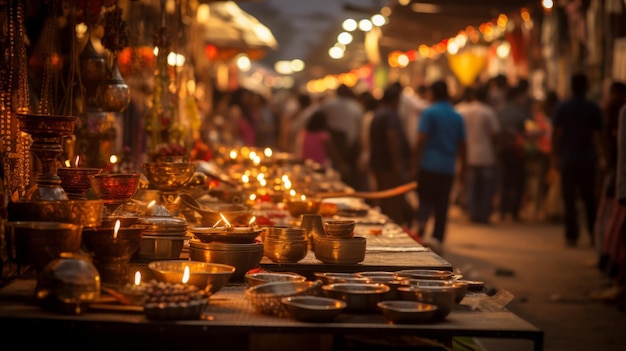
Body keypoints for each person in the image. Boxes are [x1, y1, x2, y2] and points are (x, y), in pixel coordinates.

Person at [411, 80, 467, 251]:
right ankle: (438, 240)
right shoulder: (456, 115)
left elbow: (421, 139)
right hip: (447, 167)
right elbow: (463, 145)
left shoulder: (429, 113)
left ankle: (421, 232)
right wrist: (463, 168)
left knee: (425, 200)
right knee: (442, 205)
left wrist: (414, 163)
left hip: (428, 164)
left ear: (432, 94)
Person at [552, 73, 605, 247]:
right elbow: (599, 135)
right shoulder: (593, 108)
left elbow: (556, 134)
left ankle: (572, 236)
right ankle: (592, 234)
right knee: (589, 198)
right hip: (588, 159)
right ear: (586, 87)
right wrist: (601, 156)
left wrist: (555, 156)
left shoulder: (563, 107)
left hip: (568, 158)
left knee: (569, 199)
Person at [369, 85, 412, 227]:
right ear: (395, 100)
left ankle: (387, 226)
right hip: (388, 164)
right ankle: (394, 229)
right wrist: (397, 162)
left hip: (378, 162)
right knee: (392, 199)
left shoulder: (378, 113)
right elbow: (392, 137)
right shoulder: (390, 114)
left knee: (384, 198)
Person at [455, 86, 500, 224]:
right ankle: (483, 215)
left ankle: (473, 213)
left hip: (470, 155)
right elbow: (495, 134)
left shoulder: (464, 111)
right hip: (486, 155)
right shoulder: (488, 112)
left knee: (472, 187)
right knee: (486, 189)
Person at [497, 84, 531, 222]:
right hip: (516, 151)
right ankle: (514, 212)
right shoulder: (519, 112)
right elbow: (526, 129)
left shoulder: (501, 110)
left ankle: (503, 211)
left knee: (505, 181)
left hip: (503, 151)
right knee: (518, 182)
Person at [295, 109, 347, 175]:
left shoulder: (304, 133)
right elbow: (333, 154)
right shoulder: (324, 136)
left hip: (305, 165)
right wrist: (341, 165)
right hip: (320, 168)